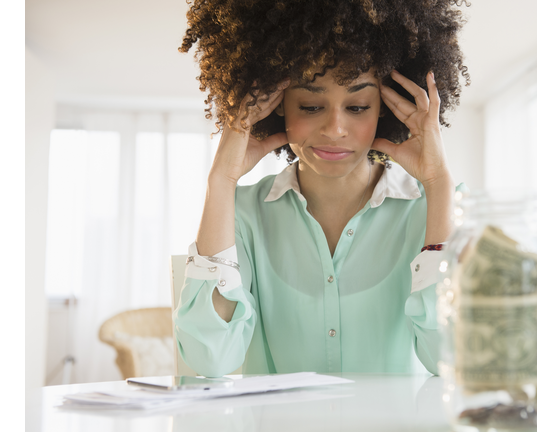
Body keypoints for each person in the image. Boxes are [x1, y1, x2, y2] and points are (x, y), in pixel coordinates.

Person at [174, 0, 470, 377]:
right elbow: (209, 360)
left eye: (358, 106)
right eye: (312, 105)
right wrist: (221, 180)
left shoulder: (438, 208)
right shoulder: (242, 213)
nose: (334, 128)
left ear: (386, 108)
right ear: (277, 104)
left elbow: (452, 360)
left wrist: (438, 181)